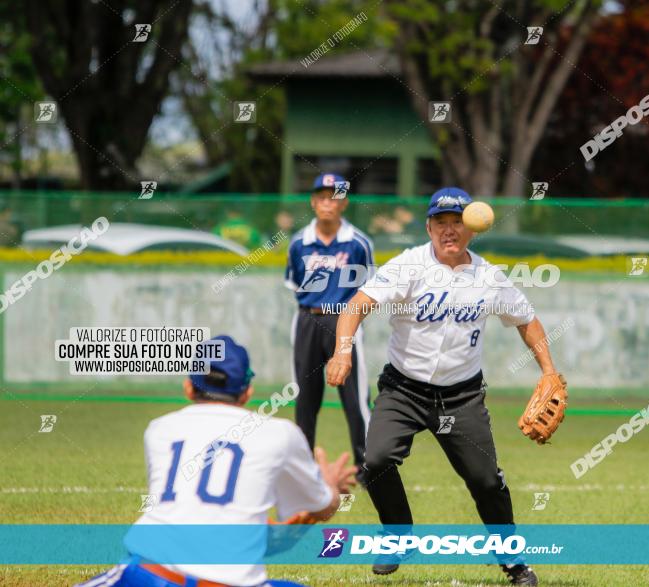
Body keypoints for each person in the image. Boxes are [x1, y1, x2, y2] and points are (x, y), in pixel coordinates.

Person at [326, 187, 564, 586]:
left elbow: (527, 320)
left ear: (471, 229)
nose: (449, 230)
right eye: (441, 223)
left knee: (486, 480)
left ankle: (513, 562)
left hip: (461, 398)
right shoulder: (408, 266)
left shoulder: (488, 276)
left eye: (457, 222)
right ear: (428, 227)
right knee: (377, 458)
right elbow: (356, 306)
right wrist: (343, 352)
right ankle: (397, 536)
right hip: (403, 391)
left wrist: (549, 370)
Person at [78, 335, 357, 587]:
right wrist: (330, 485)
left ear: (189, 387)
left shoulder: (159, 430)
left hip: (148, 577)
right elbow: (322, 506)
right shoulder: (281, 434)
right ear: (247, 392)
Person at [285, 173, 374, 484]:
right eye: (321, 196)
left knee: (356, 399)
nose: (327, 202)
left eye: (334, 196)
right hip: (308, 319)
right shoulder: (299, 243)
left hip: (344, 321)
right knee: (306, 399)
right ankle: (303, 468)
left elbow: (369, 289)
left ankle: (369, 469)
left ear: (344, 202)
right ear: (313, 201)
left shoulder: (359, 243)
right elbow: (294, 282)